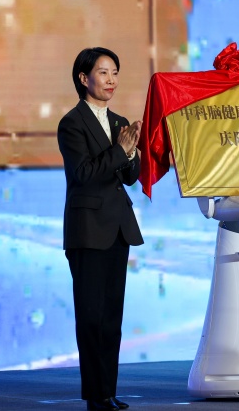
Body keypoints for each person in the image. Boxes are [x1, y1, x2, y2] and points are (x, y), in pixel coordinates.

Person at [58, 47, 144, 411]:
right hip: (88, 231)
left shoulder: (119, 122)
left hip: (118, 229)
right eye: (104, 72)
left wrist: (133, 153)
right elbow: (84, 174)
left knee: (111, 319)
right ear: (84, 78)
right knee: (91, 317)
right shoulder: (72, 123)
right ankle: (95, 395)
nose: (111, 80)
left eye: (115, 73)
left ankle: (108, 391)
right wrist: (120, 152)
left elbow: (130, 177)